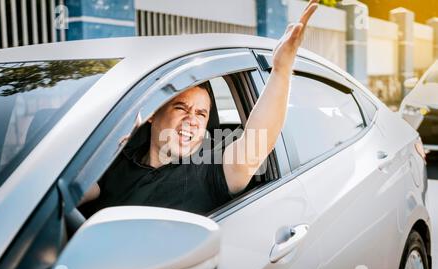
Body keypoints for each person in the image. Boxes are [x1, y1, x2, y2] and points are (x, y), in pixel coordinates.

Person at [79, 0, 319, 216]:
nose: (192, 119)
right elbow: (74, 191)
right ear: (153, 115)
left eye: (201, 114)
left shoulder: (208, 171)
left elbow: (257, 146)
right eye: (181, 108)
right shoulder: (120, 157)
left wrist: (281, 71)